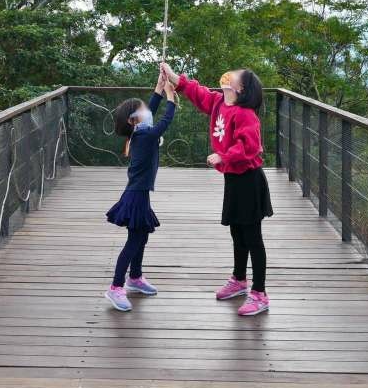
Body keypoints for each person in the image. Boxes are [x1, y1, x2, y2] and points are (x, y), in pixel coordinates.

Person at [161, 62, 272, 316]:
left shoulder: (246, 115)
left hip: (250, 181)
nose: (229, 74)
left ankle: (260, 293)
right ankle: (239, 280)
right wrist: (174, 77)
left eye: (235, 75)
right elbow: (199, 94)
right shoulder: (220, 103)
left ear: (241, 88)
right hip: (234, 179)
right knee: (237, 232)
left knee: (253, 237)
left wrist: (223, 156)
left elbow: (250, 147)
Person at [104, 72, 178, 311]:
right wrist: (170, 97)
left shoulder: (140, 133)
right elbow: (164, 122)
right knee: (135, 239)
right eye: (143, 110)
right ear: (134, 120)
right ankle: (116, 287)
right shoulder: (146, 135)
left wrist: (158, 88)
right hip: (136, 195)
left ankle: (134, 278)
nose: (147, 110)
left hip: (138, 193)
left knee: (142, 235)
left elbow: (152, 114)